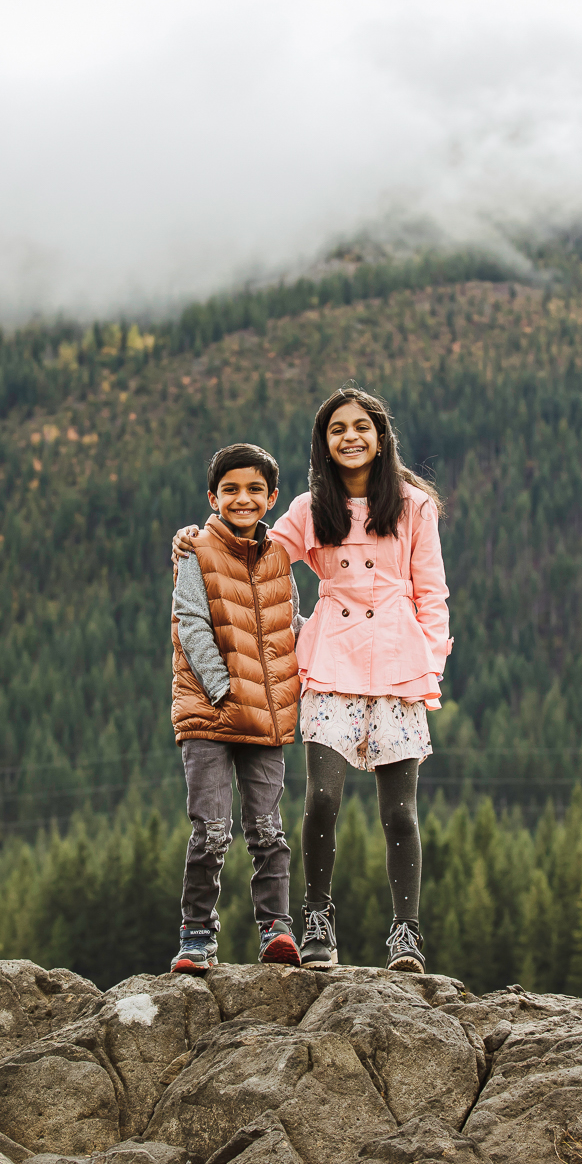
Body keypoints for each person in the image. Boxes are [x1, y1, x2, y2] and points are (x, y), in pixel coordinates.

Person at [175, 387, 449, 972]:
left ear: (381, 436)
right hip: (331, 661)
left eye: (361, 426)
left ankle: (406, 934)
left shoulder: (413, 506)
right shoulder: (308, 506)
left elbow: (432, 593)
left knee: (400, 812)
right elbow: (253, 552)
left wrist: (431, 665)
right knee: (322, 798)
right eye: (336, 429)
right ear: (323, 444)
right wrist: (197, 542)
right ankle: (317, 920)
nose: (350, 437)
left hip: (399, 666)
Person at [168, 442, 305, 975]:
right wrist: (223, 689)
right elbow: (191, 624)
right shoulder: (194, 551)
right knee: (211, 830)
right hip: (211, 713)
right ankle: (196, 936)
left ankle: (278, 931)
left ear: (271, 498)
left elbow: (286, 626)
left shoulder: (278, 559)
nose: (242, 498)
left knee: (268, 829)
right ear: (213, 496)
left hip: (267, 719)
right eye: (230, 489)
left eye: (253, 489)